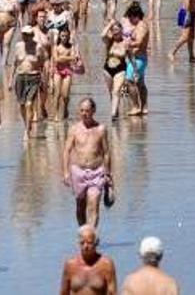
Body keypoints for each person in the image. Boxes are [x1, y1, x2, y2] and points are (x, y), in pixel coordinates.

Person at [62, 98, 113, 228]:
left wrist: (108, 173)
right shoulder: (74, 129)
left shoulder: (101, 129)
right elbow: (66, 151)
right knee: (80, 206)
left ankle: (91, 236)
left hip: (97, 172)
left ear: (93, 111)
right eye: (82, 111)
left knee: (94, 203)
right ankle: (83, 233)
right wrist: (66, 172)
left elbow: (106, 152)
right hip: (78, 172)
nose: (84, 113)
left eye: (87, 111)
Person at [60, 225, 117, 295]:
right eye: (82, 243)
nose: (85, 246)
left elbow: (112, 293)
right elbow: (63, 293)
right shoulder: (70, 265)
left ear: (96, 242)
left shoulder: (106, 265)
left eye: (89, 242)